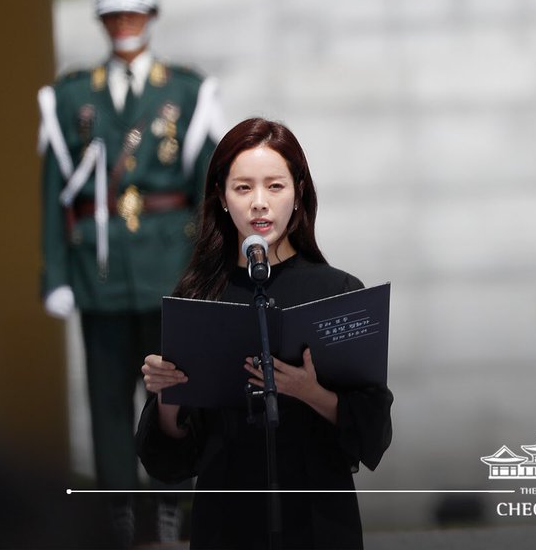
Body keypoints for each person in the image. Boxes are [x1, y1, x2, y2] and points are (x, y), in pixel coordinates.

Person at [136, 117, 394, 550]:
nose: (259, 203)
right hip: (225, 519)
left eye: (275, 186)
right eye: (243, 188)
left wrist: (310, 391)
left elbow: (374, 433)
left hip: (318, 520)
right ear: (220, 197)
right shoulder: (199, 297)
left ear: (298, 194)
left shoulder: (338, 292)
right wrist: (167, 398)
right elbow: (171, 460)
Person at [37, 0, 224, 546]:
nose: (124, 24)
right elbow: (52, 194)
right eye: (114, 16)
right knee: (107, 397)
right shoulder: (73, 96)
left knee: (172, 392)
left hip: (169, 266)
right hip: (101, 267)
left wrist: (209, 271)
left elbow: (210, 188)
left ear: (151, 17)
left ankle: (170, 502)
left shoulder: (187, 92)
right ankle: (119, 509)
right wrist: (55, 272)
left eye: (133, 14)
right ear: (101, 21)